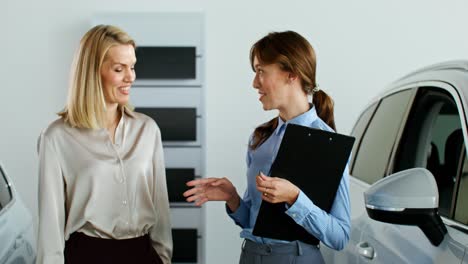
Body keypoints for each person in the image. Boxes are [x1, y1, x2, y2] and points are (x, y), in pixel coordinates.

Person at [183, 31, 350, 264]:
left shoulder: (329, 144)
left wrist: (295, 199)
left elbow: (340, 236)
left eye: (261, 71)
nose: (254, 83)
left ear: (291, 73)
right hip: (251, 255)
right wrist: (232, 198)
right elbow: (250, 220)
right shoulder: (260, 138)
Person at [36, 25, 172, 264]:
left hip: (143, 254)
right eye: (119, 69)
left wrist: (163, 258)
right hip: (87, 255)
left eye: (132, 67)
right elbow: (50, 226)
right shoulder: (56, 137)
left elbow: (160, 209)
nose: (131, 77)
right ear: (92, 72)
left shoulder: (147, 130)